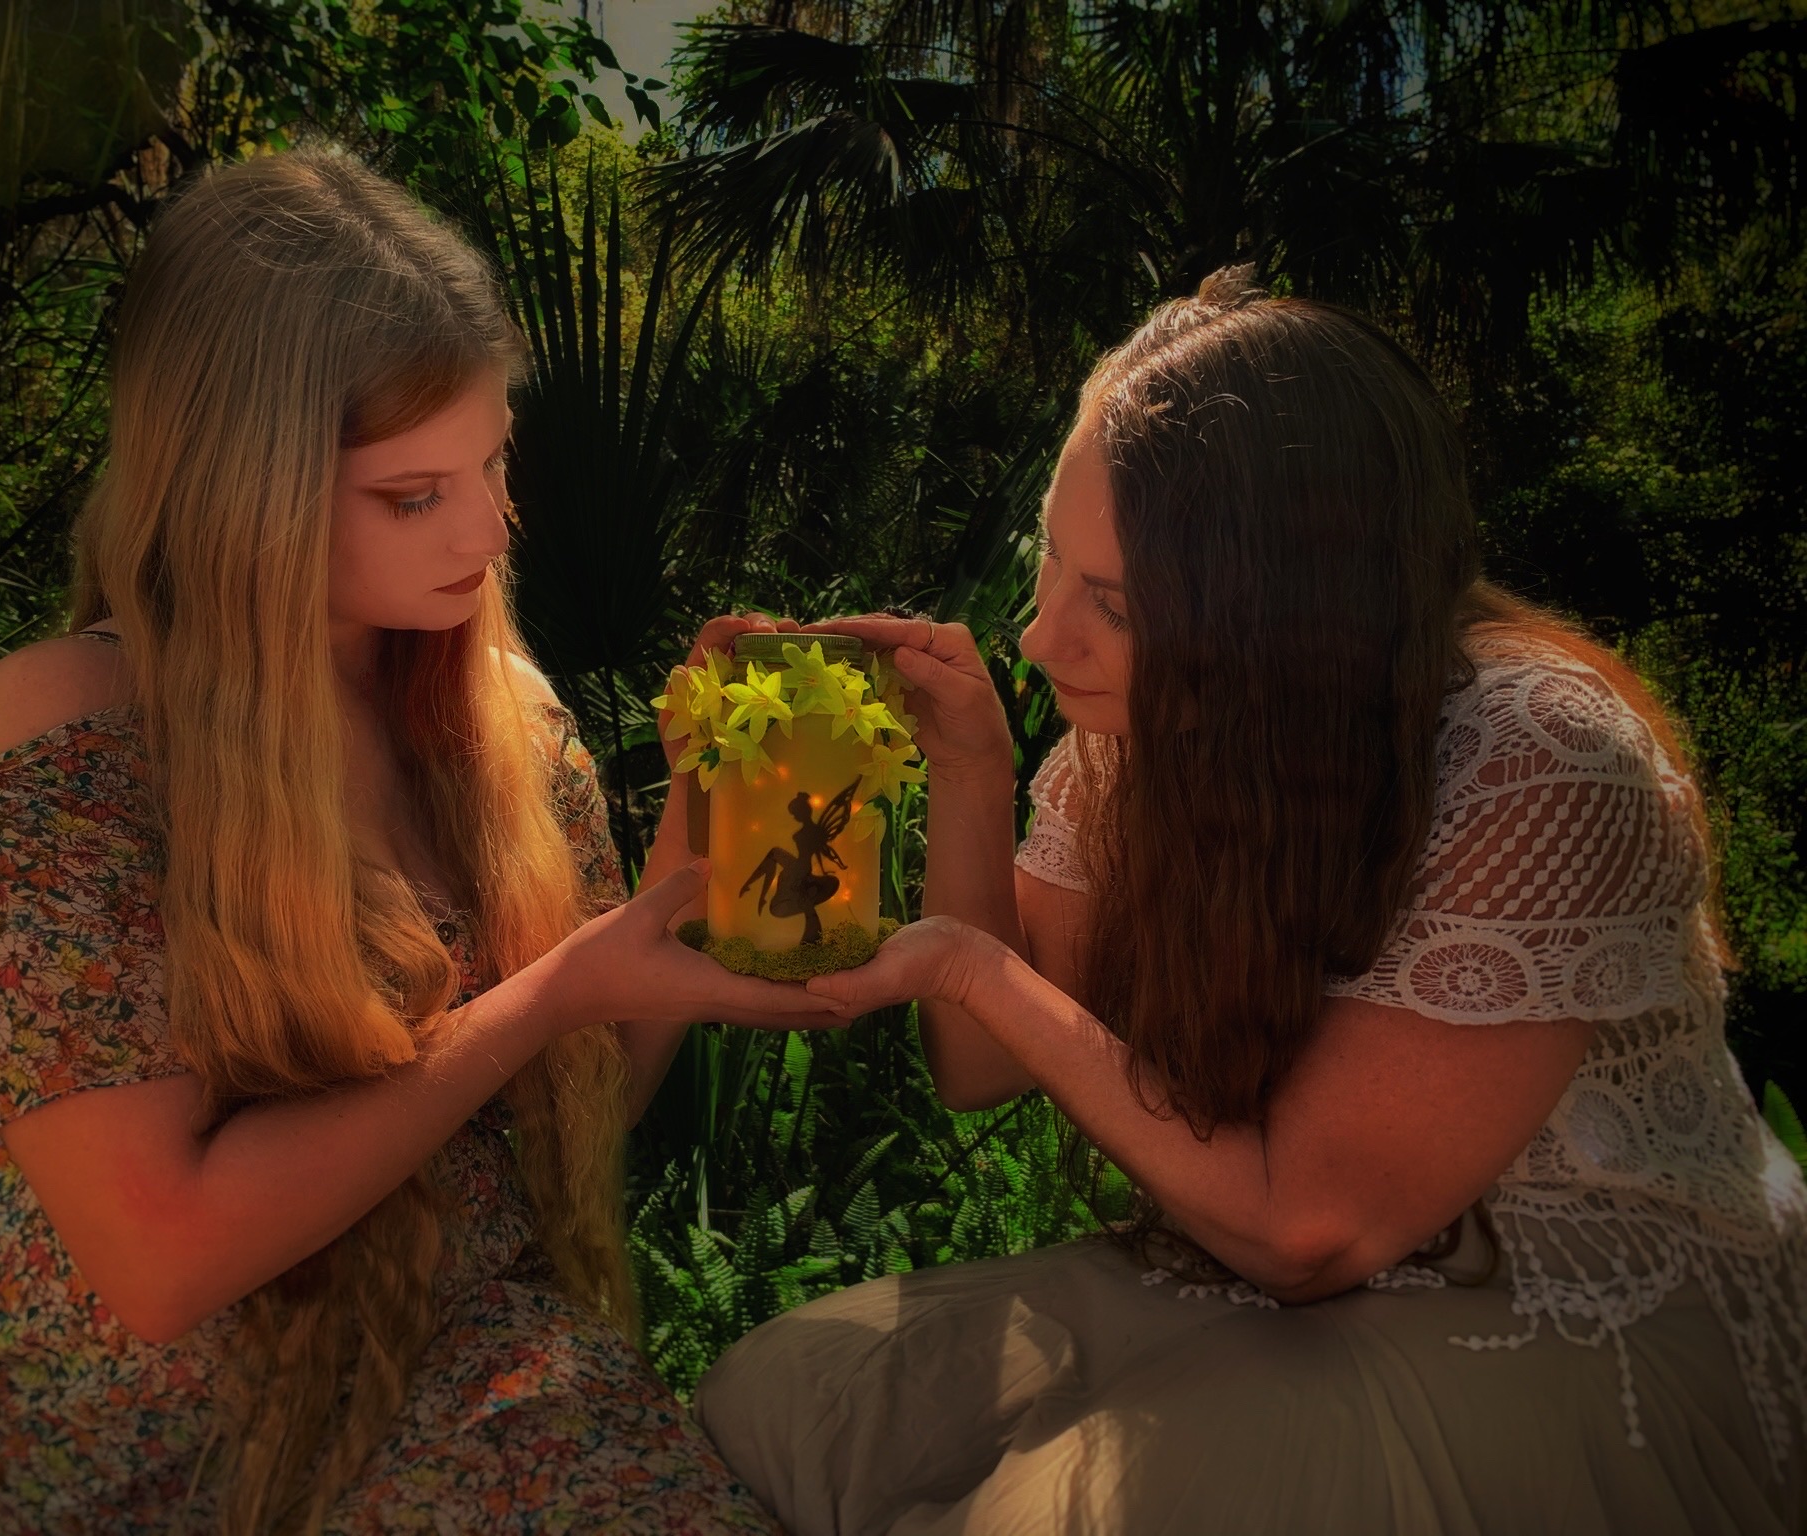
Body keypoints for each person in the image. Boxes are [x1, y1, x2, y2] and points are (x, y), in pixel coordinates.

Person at [0, 150, 843, 1536]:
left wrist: (685, 858)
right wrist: (560, 989)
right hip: (107, 1446)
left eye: (491, 463)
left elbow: (562, 1100)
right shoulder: (67, 738)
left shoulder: (507, 718)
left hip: (444, 1381)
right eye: (412, 495)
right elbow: (165, 1258)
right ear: (244, 488)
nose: (487, 528)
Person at [693, 270, 1807, 1534]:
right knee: (786, 1395)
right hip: (1271, 1276)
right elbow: (978, 1067)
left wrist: (963, 964)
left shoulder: (1537, 753)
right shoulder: (1134, 729)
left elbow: (1307, 1230)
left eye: (1111, 606)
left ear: (1289, 620)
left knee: (1034, 1521)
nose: (1040, 640)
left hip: (1579, 1302)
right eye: (1051, 565)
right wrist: (972, 770)